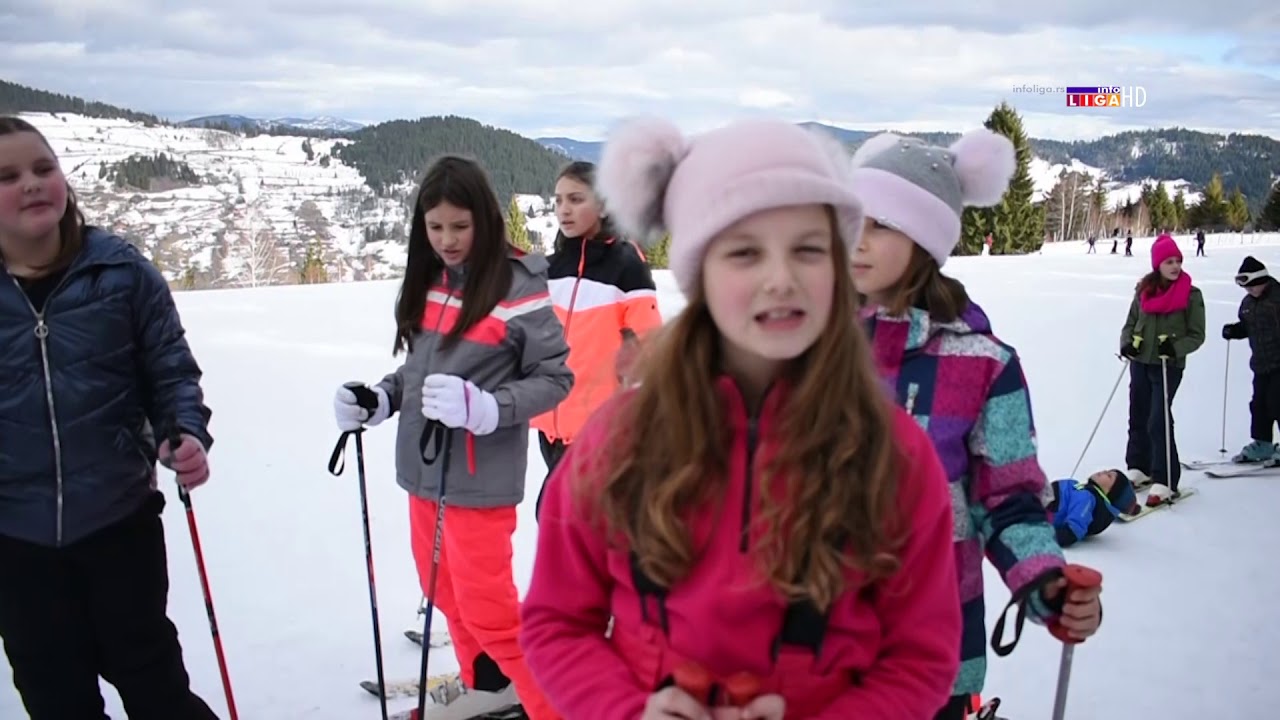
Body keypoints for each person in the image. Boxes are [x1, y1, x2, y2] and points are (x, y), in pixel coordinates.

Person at [520, 116, 964, 720]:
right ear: (700, 274)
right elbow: (556, 623)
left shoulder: (894, 457)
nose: (780, 279)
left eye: (808, 249)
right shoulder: (619, 440)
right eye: (745, 252)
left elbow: (921, 656)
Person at [847, 129, 1104, 720]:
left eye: (882, 224)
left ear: (924, 238)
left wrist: (1047, 583)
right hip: (804, 645)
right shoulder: (805, 347)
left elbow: (1009, 499)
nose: (857, 241)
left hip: (930, 649)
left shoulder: (984, 365)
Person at [332, 155, 572, 720]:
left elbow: (557, 378)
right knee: (442, 592)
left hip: (478, 479)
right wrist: (383, 398)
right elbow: (418, 369)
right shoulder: (431, 280)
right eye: (435, 227)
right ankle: (486, 689)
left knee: (491, 611)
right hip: (423, 471)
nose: (447, 240)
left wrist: (492, 408)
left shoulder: (517, 286)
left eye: (459, 226)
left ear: (484, 220)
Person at [0, 116, 219, 719]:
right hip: (15, 540)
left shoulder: (121, 274)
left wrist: (183, 433)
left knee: (151, 680)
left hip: (118, 521)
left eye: (44, 169)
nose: (32, 184)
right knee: (54, 694)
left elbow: (171, 372)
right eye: (7, 176)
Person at [530, 160, 662, 519]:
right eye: (558, 201)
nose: (563, 210)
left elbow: (651, 346)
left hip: (600, 428)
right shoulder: (550, 269)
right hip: (552, 426)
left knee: (557, 518)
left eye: (575, 199)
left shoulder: (625, 267)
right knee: (564, 525)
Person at [1119, 234, 1205, 507]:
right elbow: (1130, 323)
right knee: (1138, 414)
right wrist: (1126, 344)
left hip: (1168, 366)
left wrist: (1175, 347)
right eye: (1169, 261)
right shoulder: (1144, 291)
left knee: (1158, 418)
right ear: (1158, 264)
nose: (1175, 266)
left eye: (1178, 260)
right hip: (1141, 362)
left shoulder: (1191, 295)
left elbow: (1197, 335)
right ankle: (1140, 466)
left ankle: (1166, 478)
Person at [1222, 255, 1280, 464]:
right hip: (1261, 364)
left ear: (1261, 281)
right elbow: (1247, 326)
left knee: (1277, 402)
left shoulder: (1277, 299)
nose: (1249, 291)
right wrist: (1234, 330)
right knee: (1259, 405)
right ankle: (1263, 443)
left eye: (1252, 286)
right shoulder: (1247, 303)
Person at [1046, 470, 1139, 546]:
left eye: (1109, 476)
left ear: (1110, 493)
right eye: (1107, 471)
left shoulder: (1087, 500)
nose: (1103, 472)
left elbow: (1075, 527)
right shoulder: (1085, 492)